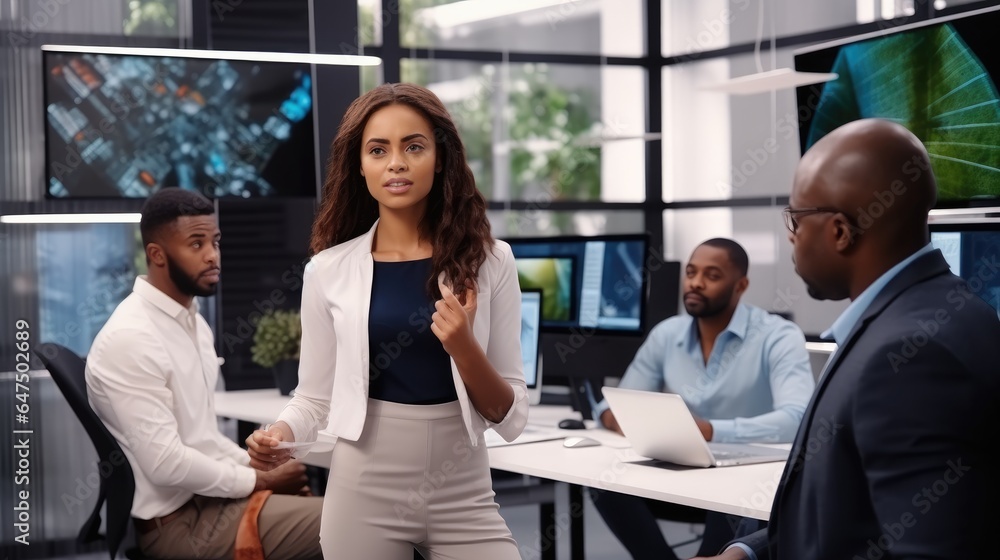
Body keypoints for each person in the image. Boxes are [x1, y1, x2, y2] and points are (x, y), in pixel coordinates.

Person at [696, 119, 1000, 560]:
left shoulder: (910, 355)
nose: (791, 237)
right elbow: (852, 512)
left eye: (796, 220)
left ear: (839, 232)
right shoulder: (943, 311)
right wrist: (748, 553)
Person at [246, 83, 528, 559]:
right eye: (378, 150)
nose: (396, 162)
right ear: (360, 165)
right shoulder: (328, 270)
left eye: (413, 146)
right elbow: (315, 398)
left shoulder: (491, 261)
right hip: (364, 490)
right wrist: (280, 434)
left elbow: (511, 414)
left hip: (464, 489)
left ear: (440, 157)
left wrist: (463, 346)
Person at [86, 187, 323, 560]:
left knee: (347, 511)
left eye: (214, 241)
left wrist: (255, 468)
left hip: (208, 504)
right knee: (357, 523)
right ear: (157, 255)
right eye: (196, 244)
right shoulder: (130, 338)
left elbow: (202, 440)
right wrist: (261, 480)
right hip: (179, 527)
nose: (213, 255)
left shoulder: (194, 325)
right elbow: (167, 464)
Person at [590, 238, 816, 560]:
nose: (695, 282)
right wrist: (622, 419)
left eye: (711, 275)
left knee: (729, 491)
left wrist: (710, 431)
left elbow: (798, 419)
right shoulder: (667, 334)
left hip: (744, 484)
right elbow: (611, 405)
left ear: (741, 285)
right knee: (602, 482)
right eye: (692, 272)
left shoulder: (777, 336)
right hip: (679, 474)